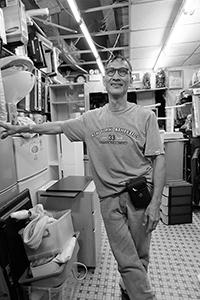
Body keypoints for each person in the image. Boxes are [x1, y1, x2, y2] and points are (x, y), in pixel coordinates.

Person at [0, 54, 165, 300]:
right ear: (105, 80)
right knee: (127, 259)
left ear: (130, 79)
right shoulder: (91, 119)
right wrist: (23, 128)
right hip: (110, 201)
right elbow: (57, 126)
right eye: (111, 72)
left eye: (122, 72)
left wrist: (155, 204)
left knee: (140, 255)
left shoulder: (145, 117)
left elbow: (158, 159)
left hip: (140, 196)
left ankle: (128, 290)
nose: (116, 76)